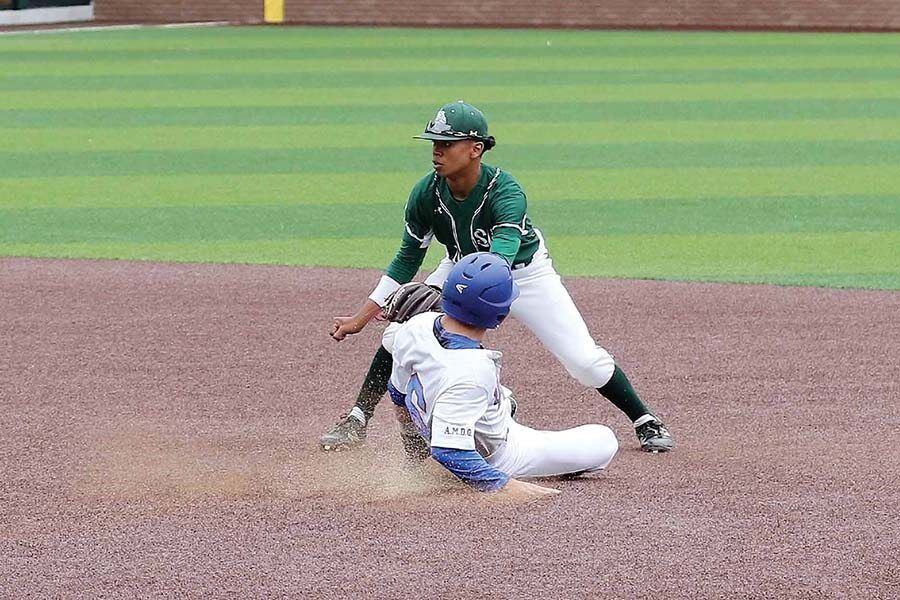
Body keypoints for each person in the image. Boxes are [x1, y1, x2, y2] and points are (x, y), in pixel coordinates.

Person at [325, 100, 674, 453]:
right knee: (397, 334)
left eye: (447, 143)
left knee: (584, 362)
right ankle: (357, 418)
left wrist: (453, 294)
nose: (437, 151)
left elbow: (499, 260)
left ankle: (644, 419)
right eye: (434, 143)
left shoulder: (505, 191)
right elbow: (407, 257)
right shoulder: (426, 193)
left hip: (525, 275)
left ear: (476, 149)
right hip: (462, 266)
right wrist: (360, 318)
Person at [386, 253, 618, 500]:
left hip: (452, 415)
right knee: (604, 440)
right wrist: (505, 485)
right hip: (498, 456)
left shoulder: (415, 326)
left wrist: (414, 454)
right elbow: (449, 451)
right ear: (500, 314)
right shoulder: (472, 372)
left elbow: (398, 395)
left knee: (506, 400)